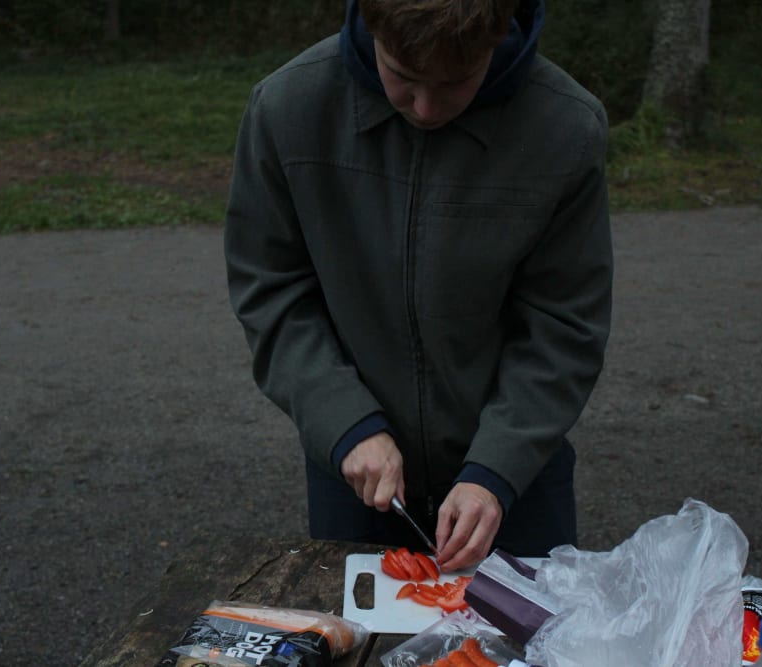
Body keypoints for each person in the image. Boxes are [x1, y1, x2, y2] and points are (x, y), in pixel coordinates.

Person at [224, 0, 613, 573]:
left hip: (517, 477)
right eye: (402, 76)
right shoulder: (288, 108)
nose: (426, 108)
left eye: (456, 82)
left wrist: (496, 469)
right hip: (356, 472)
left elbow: (564, 323)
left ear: (495, 38)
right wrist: (344, 422)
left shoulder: (566, 126)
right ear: (372, 24)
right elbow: (272, 290)